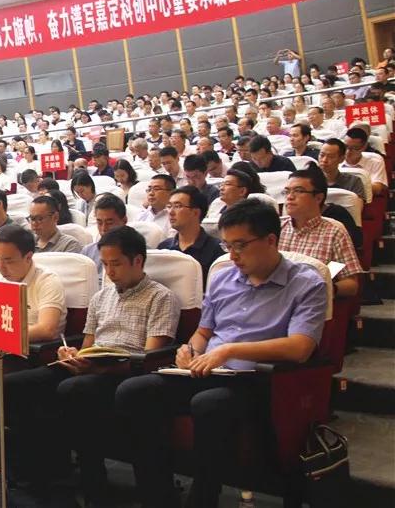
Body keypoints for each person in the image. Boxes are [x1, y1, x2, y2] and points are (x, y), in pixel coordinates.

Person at [115, 199, 327, 508]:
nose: (233, 255)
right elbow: (203, 333)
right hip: (208, 370)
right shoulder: (223, 277)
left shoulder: (306, 283)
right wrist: (189, 350)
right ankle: (158, 494)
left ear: (270, 240)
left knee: (209, 403)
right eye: (228, 246)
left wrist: (229, 351)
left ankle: (203, 497)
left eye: (241, 245)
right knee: (135, 391)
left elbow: (300, 347)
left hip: (259, 381)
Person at [5, 227, 177, 495]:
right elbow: (88, 345)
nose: (109, 271)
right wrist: (72, 355)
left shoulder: (160, 297)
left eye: (116, 264)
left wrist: (98, 367)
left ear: (137, 261)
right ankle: (36, 475)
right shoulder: (100, 297)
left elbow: (150, 356)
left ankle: (93, 478)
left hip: (126, 371)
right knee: (14, 385)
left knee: (74, 389)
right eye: (105, 264)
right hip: (92, 365)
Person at [280, 167, 364, 298]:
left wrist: (326, 289)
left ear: (318, 198)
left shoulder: (334, 232)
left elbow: (351, 284)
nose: (290, 197)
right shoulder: (275, 227)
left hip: (309, 301)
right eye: (287, 191)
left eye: (298, 191)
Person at [0, 225, 65, 342]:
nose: (1, 267)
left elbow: (46, 330)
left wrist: (1, 335)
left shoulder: (48, 281)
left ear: (28, 257)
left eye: (8, 261)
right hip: (1, 346)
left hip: (36, 349)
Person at [159, 186, 225, 286]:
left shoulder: (217, 249)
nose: (171, 212)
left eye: (177, 206)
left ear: (195, 212)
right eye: (169, 206)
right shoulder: (163, 248)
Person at [81, 193, 128, 278]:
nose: (104, 228)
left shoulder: (136, 251)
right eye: (99, 223)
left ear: (124, 221)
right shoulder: (88, 251)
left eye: (109, 223)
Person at [344, 127, 387, 197]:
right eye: (345, 146)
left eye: (354, 148)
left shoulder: (375, 160)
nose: (348, 152)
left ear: (364, 147)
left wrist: (349, 185)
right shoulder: (335, 158)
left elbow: (377, 188)